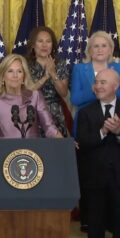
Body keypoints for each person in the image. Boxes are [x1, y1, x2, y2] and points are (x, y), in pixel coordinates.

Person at [0, 54, 62, 142]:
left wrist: (65, 145)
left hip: (32, 155)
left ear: (24, 77)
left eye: (19, 71)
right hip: (4, 155)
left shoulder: (36, 96)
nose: (15, 75)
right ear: (3, 77)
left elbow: (50, 128)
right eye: (10, 71)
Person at [76, 68, 120, 238]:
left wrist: (118, 132)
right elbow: (83, 142)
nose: (98, 86)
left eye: (103, 82)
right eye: (96, 82)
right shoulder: (85, 112)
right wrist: (102, 131)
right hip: (94, 178)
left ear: (116, 85)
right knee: (95, 225)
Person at [71, 31, 120, 136]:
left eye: (104, 45)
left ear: (110, 50)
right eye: (96, 46)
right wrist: (98, 90)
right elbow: (75, 99)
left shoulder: (118, 68)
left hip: (114, 120)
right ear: (89, 50)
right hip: (86, 122)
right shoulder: (79, 69)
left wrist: (99, 91)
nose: (100, 49)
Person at [27, 26, 69, 137]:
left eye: (48, 41)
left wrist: (53, 73)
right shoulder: (25, 64)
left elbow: (64, 93)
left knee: (54, 151)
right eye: (40, 41)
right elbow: (26, 92)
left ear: (52, 45)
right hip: (31, 113)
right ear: (33, 45)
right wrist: (45, 77)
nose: (44, 45)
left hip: (54, 114)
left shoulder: (60, 64)